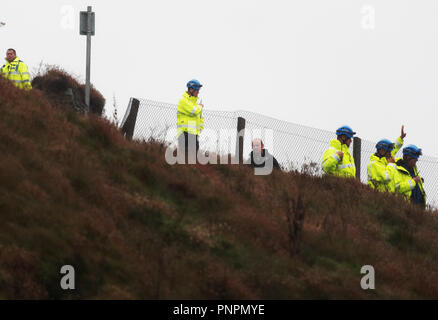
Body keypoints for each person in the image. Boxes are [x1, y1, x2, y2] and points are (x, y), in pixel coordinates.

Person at [367, 125, 406, 192]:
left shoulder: (385, 158)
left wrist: (401, 138)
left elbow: (395, 148)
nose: (391, 153)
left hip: (387, 196)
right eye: (389, 151)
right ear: (382, 151)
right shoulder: (374, 164)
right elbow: (386, 178)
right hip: (378, 196)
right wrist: (391, 164)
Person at [177, 79, 204, 164]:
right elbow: (193, 112)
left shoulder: (195, 103)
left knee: (192, 159)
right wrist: (200, 107)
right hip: (184, 133)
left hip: (193, 134)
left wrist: (200, 128)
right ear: (191, 89)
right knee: (183, 158)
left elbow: (200, 117)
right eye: (197, 90)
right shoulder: (184, 100)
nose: (198, 92)